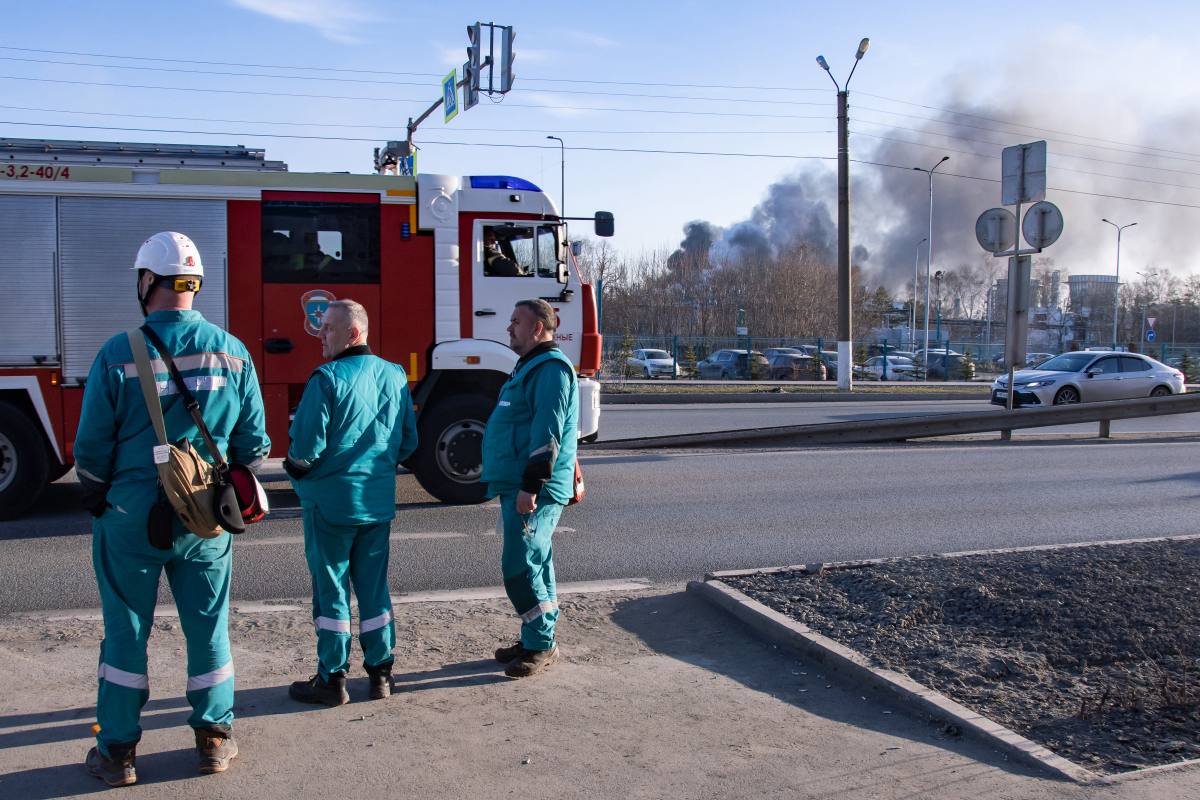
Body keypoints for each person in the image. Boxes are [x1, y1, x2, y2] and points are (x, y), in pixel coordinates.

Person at [75, 231, 270, 787]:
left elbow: (90, 449)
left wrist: (101, 497)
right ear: (193, 284)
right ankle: (213, 741)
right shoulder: (233, 351)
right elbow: (254, 448)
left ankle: (117, 753)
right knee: (208, 629)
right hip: (206, 516)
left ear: (147, 282)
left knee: (124, 632)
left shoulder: (118, 352)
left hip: (131, 515)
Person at [285, 299, 417, 706]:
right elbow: (409, 442)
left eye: (327, 328)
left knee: (331, 591)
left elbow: (305, 446)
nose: (319, 335)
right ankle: (381, 674)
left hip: (330, 504)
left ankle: (332, 678)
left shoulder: (326, 379)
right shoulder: (395, 375)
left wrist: (296, 471)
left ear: (353, 333)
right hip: (376, 502)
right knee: (374, 589)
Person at [481, 299, 579, 678]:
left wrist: (530, 485)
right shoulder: (531, 367)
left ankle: (541, 643)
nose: (509, 328)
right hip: (522, 484)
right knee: (537, 562)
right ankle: (537, 636)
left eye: (516, 321)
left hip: (533, 488)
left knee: (519, 565)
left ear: (538, 328)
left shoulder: (551, 369)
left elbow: (547, 433)